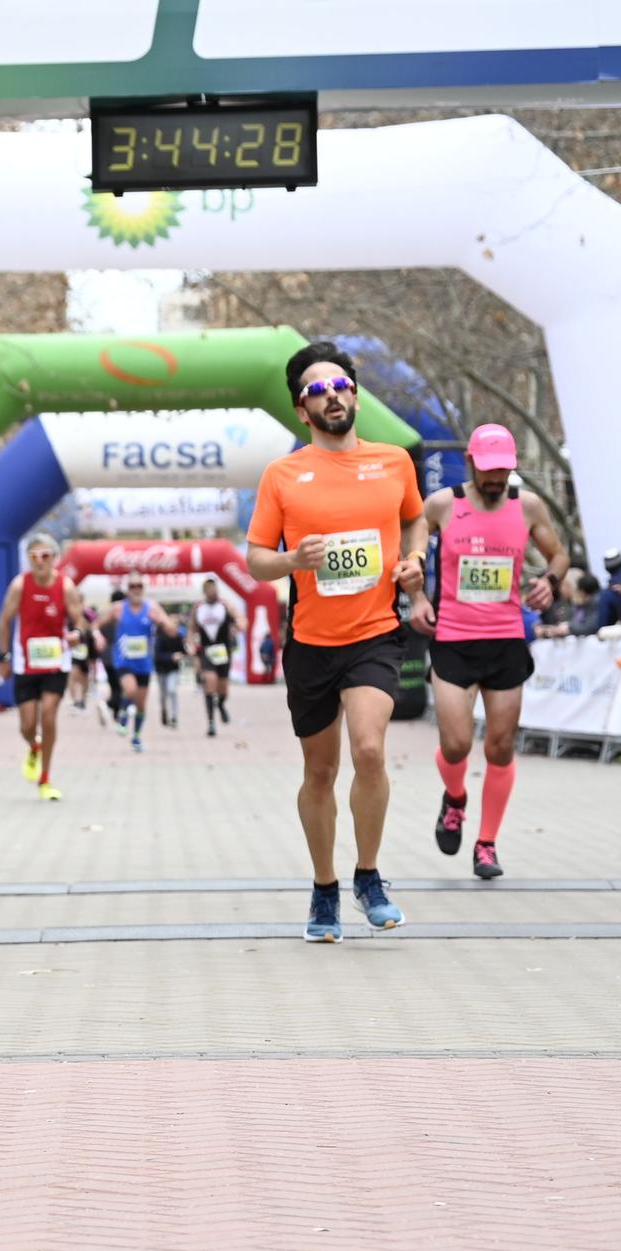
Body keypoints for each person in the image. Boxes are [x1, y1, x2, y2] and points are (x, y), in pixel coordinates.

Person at [246, 341, 425, 944]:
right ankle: (325, 886)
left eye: (341, 386)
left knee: (370, 752)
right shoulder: (283, 474)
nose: (333, 397)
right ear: (302, 411)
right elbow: (255, 560)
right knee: (319, 771)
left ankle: (368, 876)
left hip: (375, 633)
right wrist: (292, 558)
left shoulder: (394, 461)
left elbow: (414, 517)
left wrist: (416, 558)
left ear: (355, 393)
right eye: (317, 391)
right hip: (311, 642)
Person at [411, 425, 568, 880]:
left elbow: (558, 554)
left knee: (499, 748)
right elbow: (413, 548)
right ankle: (455, 799)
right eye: (489, 470)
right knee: (456, 743)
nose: (497, 478)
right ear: (471, 464)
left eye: (504, 470)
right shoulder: (443, 504)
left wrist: (550, 581)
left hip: (505, 638)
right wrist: (419, 598)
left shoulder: (529, 506)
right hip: (454, 639)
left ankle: (486, 843)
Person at [0, 532, 83, 801]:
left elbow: (79, 622)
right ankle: (34, 747)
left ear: (54, 558)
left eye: (45, 556)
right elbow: (3, 621)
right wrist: (4, 657)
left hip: (56, 662)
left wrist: (76, 634)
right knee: (27, 725)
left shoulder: (66, 587)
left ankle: (45, 779)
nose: (39, 562)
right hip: (26, 663)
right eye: (33, 557)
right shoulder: (20, 586)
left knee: (48, 714)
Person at [96, 575, 180, 752]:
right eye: (132, 585)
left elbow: (172, 631)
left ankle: (136, 737)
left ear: (143, 588)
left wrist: (163, 621)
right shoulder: (118, 609)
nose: (136, 589)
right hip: (123, 660)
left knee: (141, 705)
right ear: (128, 588)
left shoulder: (152, 608)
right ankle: (123, 717)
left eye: (139, 585)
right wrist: (98, 637)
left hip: (144, 663)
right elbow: (97, 624)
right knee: (130, 690)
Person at [189, 576, 247, 737]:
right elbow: (192, 628)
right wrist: (191, 644)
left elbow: (241, 619)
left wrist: (240, 625)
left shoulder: (225, 605)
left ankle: (221, 704)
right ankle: (211, 722)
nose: (211, 592)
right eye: (207, 589)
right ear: (204, 591)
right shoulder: (198, 607)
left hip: (223, 651)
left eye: (213, 588)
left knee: (223, 689)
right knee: (209, 682)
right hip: (207, 651)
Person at [152, 612, 187, 729]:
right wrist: (171, 656)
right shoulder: (160, 637)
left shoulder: (178, 637)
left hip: (173, 669)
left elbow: (183, 651)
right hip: (161, 669)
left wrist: (185, 653)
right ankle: (164, 710)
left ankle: (174, 716)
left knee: (172, 690)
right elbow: (157, 655)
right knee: (163, 694)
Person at [67, 606, 102, 712]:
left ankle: (82, 701)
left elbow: (95, 621)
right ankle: (74, 701)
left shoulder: (88, 612)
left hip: (87, 643)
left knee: (85, 676)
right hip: (75, 645)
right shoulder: (68, 611)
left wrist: (95, 634)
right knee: (73, 674)